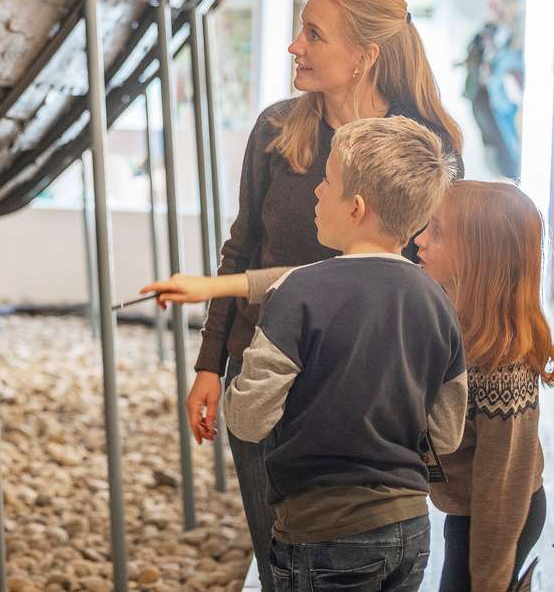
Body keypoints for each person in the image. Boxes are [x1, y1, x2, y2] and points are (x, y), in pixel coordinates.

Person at [191, 0, 465, 590]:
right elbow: (241, 249)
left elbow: (437, 273)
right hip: (267, 376)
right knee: (280, 569)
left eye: (314, 34)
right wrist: (210, 365)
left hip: (370, 397)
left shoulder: (427, 148)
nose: (294, 46)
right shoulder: (274, 130)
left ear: (366, 55)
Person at [149, 116, 466, 592]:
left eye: (327, 181)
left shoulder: (300, 291)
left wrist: (236, 392)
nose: (316, 191)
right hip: (409, 528)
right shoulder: (436, 299)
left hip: (323, 530)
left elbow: (249, 420)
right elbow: (447, 431)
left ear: (355, 208)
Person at [413, 182, 554, 592]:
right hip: (467, 507)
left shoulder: (502, 368)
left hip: (495, 517)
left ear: (478, 257)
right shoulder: (450, 317)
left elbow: (503, 488)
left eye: (437, 231)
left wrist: (490, 581)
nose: (420, 239)